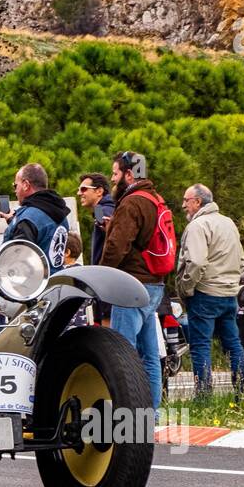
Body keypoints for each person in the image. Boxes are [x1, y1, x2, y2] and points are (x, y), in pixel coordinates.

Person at [98, 150, 168, 408]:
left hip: (131, 284)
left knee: (122, 353)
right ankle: (152, 415)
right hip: (154, 284)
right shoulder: (154, 198)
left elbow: (118, 247)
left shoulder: (131, 203)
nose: (113, 180)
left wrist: (101, 277)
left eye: (115, 173)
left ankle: (126, 414)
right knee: (150, 355)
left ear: (129, 174)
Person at [175, 184, 244, 396]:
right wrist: (231, 280)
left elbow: (196, 262)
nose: (183, 205)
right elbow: (241, 259)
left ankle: (204, 397)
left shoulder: (198, 225)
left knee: (200, 346)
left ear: (197, 202)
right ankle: (243, 392)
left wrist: (186, 288)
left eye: (186, 200)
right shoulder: (228, 223)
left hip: (205, 293)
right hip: (228, 293)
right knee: (233, 344)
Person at [0, 163, 70, 272]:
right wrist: (14, 222)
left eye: (15, 185)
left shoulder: (28, 219)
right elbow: (44, 234)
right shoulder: (60, 213)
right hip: (57, 283)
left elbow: (17, 265)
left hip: (33, 286)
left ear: (26, 185)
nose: (15, 191)